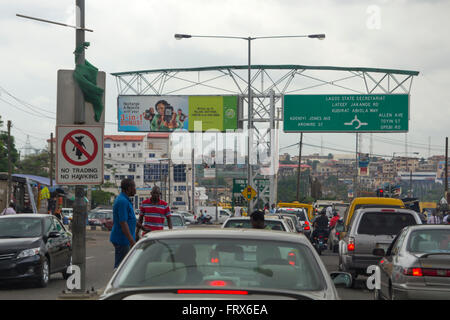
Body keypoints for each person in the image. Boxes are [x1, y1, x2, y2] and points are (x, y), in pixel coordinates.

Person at [110, 178, 137, 269]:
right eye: (134, 186)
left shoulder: (125, 200)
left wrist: (142, 227)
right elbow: (123, 222)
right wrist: (131, 241)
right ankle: (116, 283)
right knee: (120, 267)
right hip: (122, 240)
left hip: (125, 239)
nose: (135, 189)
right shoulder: (122, 201)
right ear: (128, 188)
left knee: (125, 266)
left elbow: (130, 219)